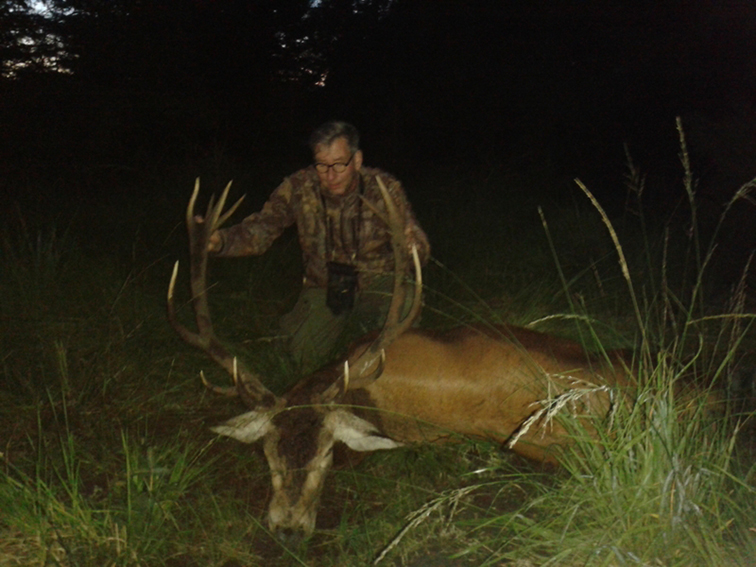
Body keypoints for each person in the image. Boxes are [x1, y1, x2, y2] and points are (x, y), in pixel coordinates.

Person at [207, 121, 430, 370]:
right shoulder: (299, 187)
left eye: (339, 164)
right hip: (325, 287)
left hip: (378, 283)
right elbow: (262, 227)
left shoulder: (385, 188)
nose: (330, 175)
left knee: (406, 306)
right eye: (322, 166)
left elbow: (416, 242)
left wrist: (414, 245)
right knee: (301, 358)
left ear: (357, 160)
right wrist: (221, 241)